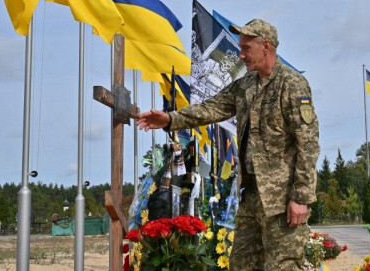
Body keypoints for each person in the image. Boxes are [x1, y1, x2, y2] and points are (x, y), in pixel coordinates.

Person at [136, 19, 320, 271]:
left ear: (266, 46)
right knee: (241, 266)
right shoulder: (245, 85)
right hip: (252, 196)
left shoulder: (291, 84)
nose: (241, 55)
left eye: (246, 48)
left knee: (284, 267)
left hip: (282, 200)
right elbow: (211, 108)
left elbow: (307, 143)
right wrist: (171, 119)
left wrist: (301, 197)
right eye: (240, 48)